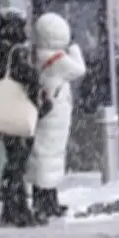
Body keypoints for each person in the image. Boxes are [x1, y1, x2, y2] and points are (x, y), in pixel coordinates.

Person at [0, 10, 51, 227]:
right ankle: (18, 210)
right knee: (18, 163)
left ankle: (10, 208)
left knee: (13, 160)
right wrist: (39, 94)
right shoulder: (16, 51)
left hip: (3, 111)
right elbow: (27, 76)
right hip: (18, 112)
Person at [28, 13, 87, 219]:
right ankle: (47, 202)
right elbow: (79, 70)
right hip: (56, 113)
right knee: (51, 156)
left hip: (44, 111)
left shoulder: (38, 54)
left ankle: (43, 200)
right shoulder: (59, 58)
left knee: (42, 155)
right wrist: (75, 48)